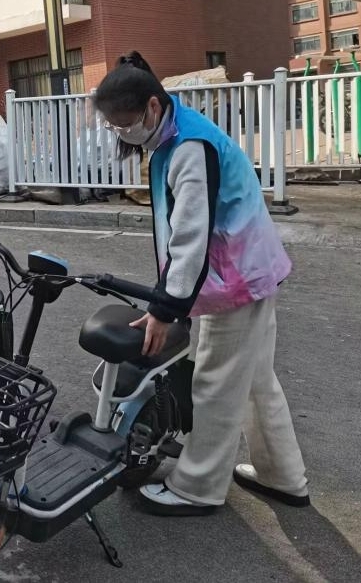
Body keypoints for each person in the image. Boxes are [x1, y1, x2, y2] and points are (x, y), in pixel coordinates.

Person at [93, 51, 309, 516]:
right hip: (247, 272)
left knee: (214, 383)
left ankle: (198, 487)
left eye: (124, 123)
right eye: (113, 126)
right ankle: (283, 477)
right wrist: (169, 298)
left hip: (235, 280)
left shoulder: (189, 147)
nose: (121, 132)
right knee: (254, 379)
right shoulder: (176, 131)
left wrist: (164, 308)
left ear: (152, 107)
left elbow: (191, 236)